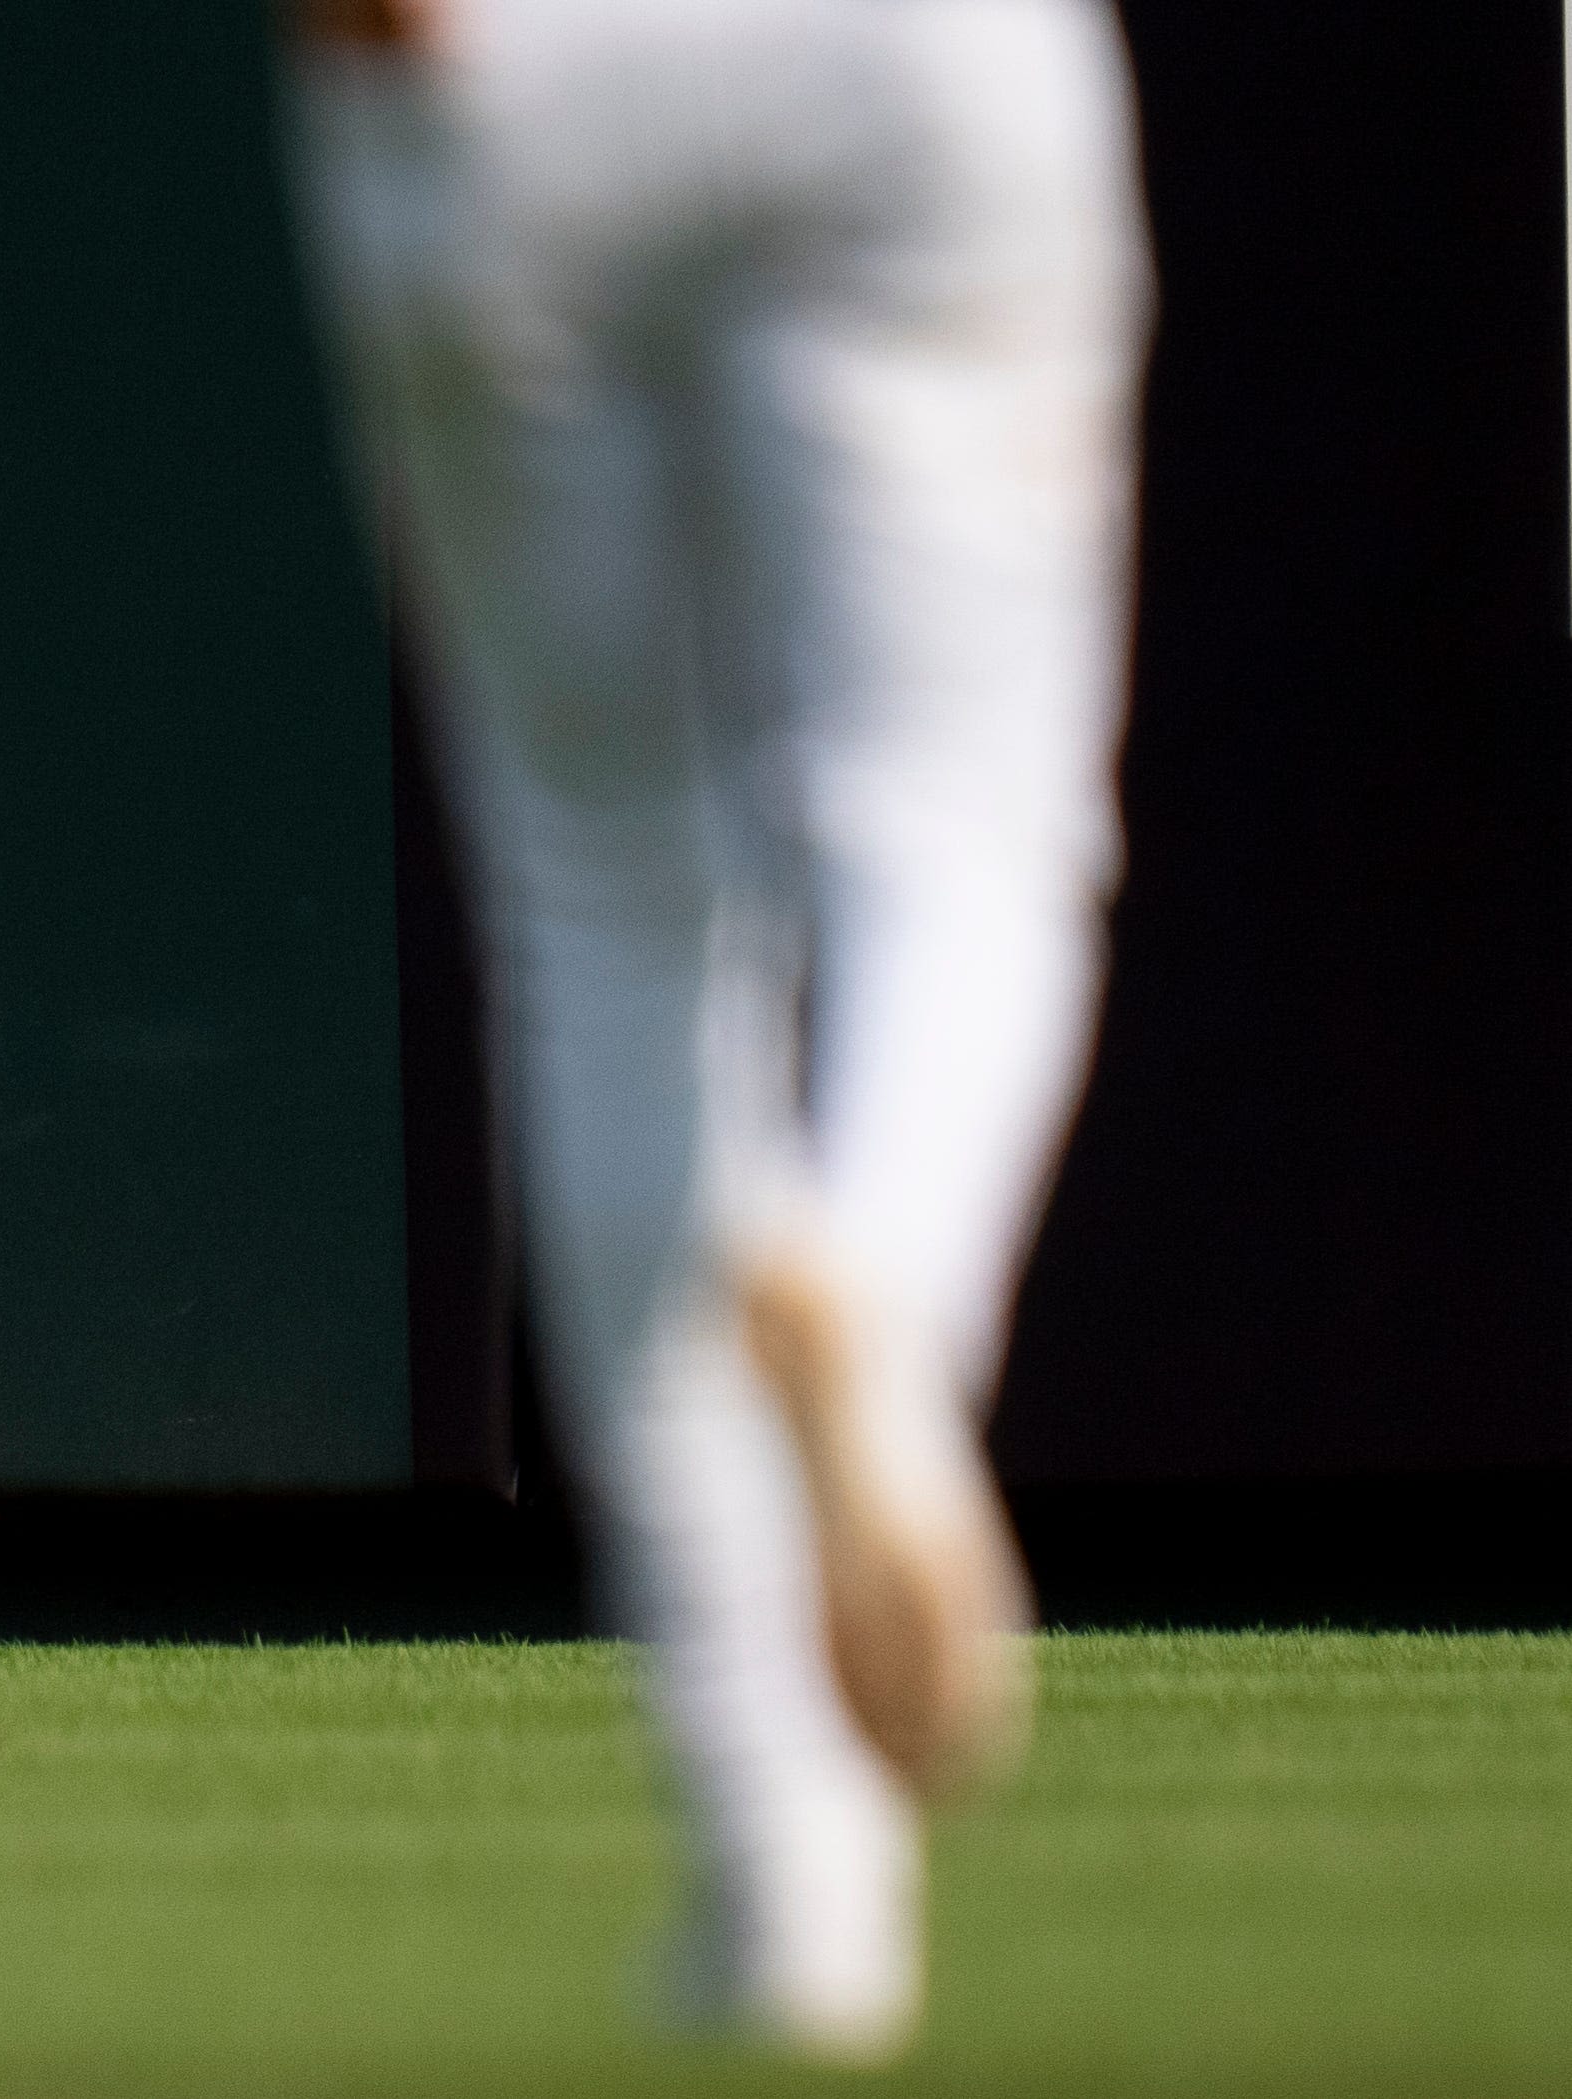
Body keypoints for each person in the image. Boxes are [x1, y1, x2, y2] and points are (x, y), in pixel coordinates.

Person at [287, 0, 1152, 2059]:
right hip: (903, 60)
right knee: (960, 837)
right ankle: (872, 1273)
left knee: (605, 912)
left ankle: (792, 1883)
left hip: (506, 84)